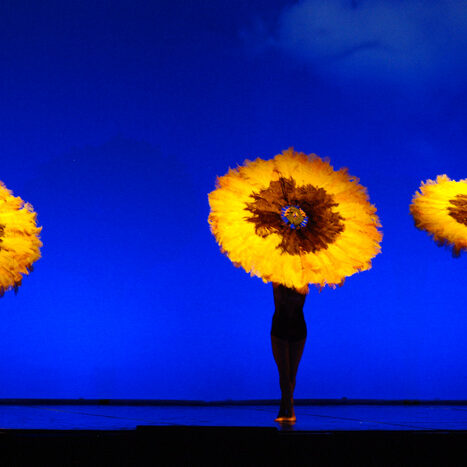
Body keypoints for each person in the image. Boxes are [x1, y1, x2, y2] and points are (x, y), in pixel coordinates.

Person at [271, 283, 307, 423]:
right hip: (284, 328)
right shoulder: (279, 279)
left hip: (293, 328)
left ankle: (288, 410)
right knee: (287, 374)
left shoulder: (301, 279)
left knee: (289, 374)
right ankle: (286, 409)